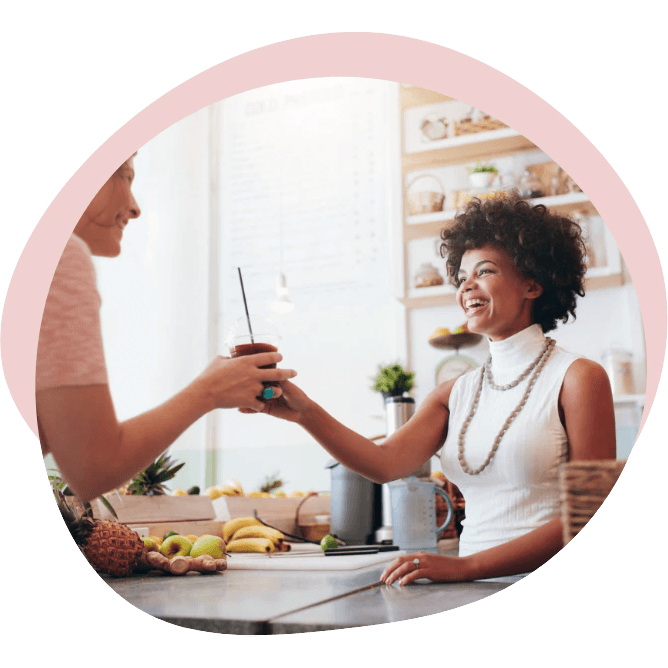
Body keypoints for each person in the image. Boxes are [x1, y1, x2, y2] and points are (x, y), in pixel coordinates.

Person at [248, 191, 616, 584]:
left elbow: (591, 513)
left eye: (485, 272)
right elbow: (384, 463)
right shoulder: (453, 393)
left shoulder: (578, 378)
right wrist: (305, 413)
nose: (466, 287)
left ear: (532, 285)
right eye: (462, 277)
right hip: (466, 592)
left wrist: (467, 565)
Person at [36, 155, 297, 502]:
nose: (135, 207)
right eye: (126, 177)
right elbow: (93, 468)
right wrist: (208, 392)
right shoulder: (59, 257)